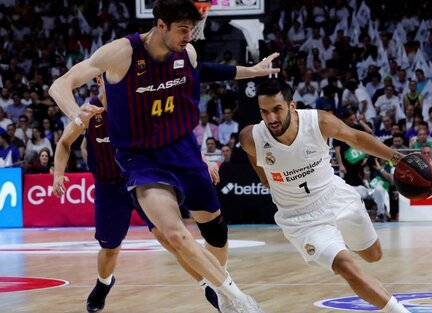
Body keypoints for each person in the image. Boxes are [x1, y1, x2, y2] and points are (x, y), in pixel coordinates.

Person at [49, 1, 279, 312]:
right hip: (140, 159)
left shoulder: (188, 53)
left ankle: (218, 286)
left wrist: (253, 70)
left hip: (182, 150)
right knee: (174, 234)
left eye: (192, 30)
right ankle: (240, 301)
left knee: (215, 233)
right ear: (161, 26)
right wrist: (77, 115)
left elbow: (209, 71)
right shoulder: (122, 52)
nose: (189, 36)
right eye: (183, 30)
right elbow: (60, 85)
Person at [239, 79, 410, 313]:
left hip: (336, 197)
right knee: (346, 266)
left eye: (277, 109)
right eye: (264, 112)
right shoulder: (251, 137)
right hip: (301, 219)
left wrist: (396, 157)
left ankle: (341, 236)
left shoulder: (318, 121)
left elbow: (355, 138)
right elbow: (263, 174)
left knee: (373, 256)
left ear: (292, 106)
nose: (271, 119)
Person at [52, 77, 222, 312]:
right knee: (110, 249)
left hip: (140, 178)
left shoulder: (136, 104)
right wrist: (58, 174)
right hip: (108, 187)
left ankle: (209, 286)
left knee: (170, 238)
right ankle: (104, 282)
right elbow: (64, 143)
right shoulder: (89, 111)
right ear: (100, 79)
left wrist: (202, 160)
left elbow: (173, 133)